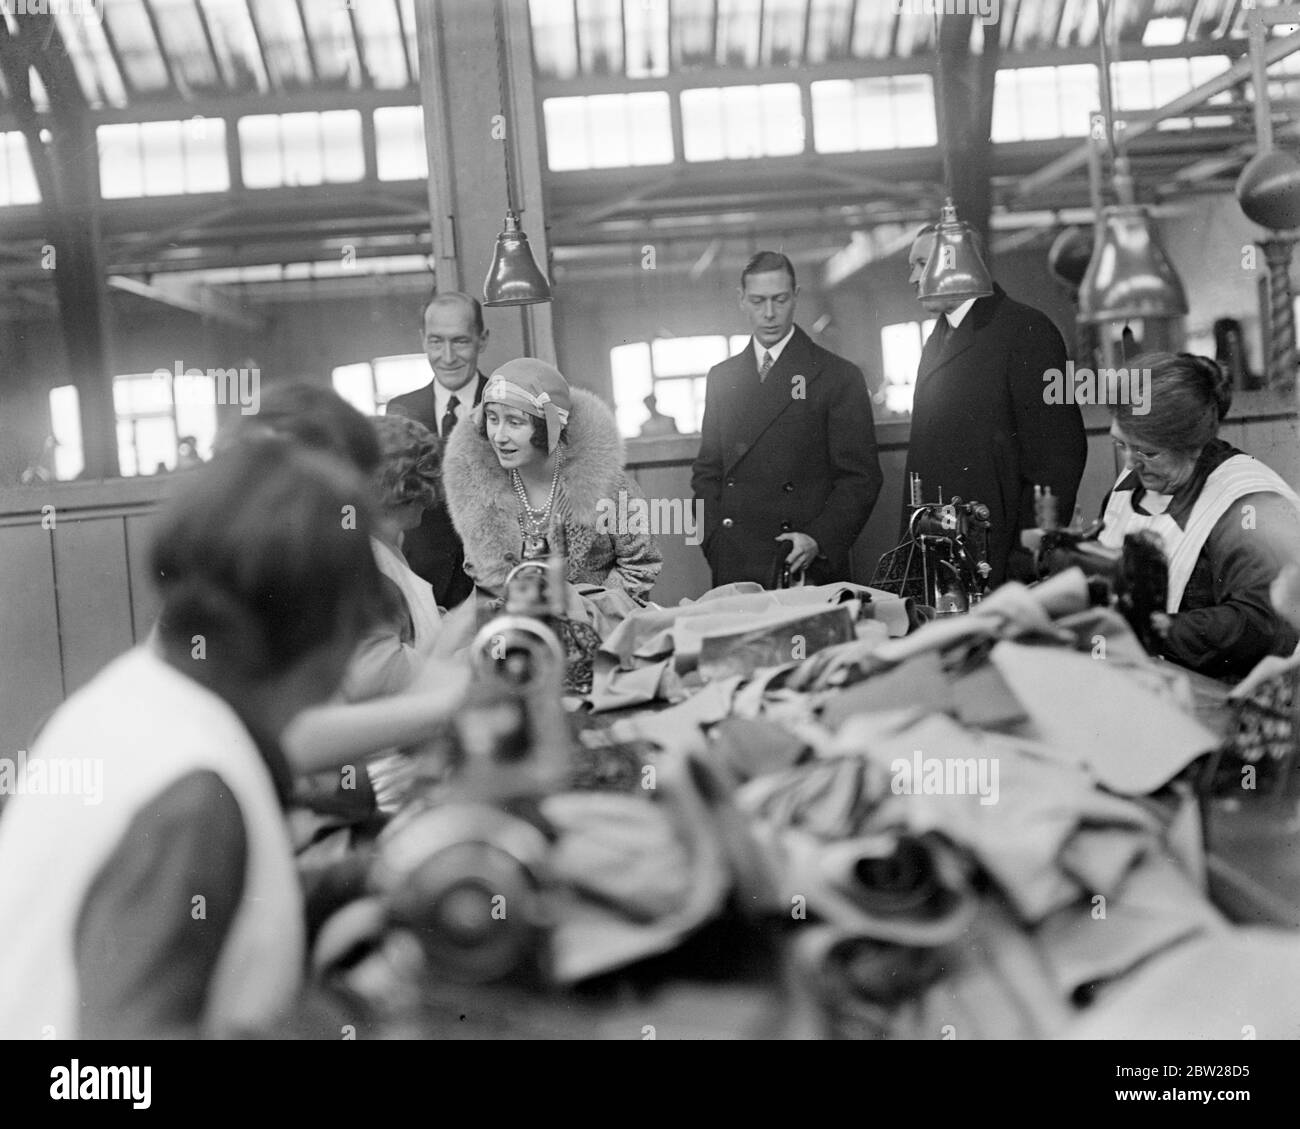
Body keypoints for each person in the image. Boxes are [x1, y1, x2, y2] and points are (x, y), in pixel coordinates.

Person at [0, 440, 389, 1038]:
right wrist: (350, 1015)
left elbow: (203, 918)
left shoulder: (134, 701)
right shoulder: (195, 792)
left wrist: (373, 880)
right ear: (325, 625)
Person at [902, 223, 1087, 587]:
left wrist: (1030, 554)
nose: (912, 278)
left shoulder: (1028, 331)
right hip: (947, 554)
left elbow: (1059, 457)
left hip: (1002, 557)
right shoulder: (936, 341)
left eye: (922, 263)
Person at [1100, 351, 1300, 682]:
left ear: (1194, 445)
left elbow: (1260, 623)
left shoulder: (1247, 501)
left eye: (1148, 452)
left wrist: (1148, 627)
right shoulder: (1137, 477)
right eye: (1121, 444)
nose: (1130, 463)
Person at [692, 251, 882, 588]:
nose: (769, 314)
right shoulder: (721, 377)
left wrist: (818, 540)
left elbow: (861, 478)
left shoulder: (837, 375)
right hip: (735, 563)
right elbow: (708, 472)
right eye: (757, 301)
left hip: (801, 560)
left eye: (779, 300)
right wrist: (714, 542)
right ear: (741, 300)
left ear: (795, 297)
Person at [442, 357, 662, 601]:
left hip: (603, 629)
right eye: (493, 419)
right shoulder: (482, 494)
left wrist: (585, 616)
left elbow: (640, 565)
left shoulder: (610, 486)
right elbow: (486, 586)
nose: (499, 436)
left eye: (515, 422)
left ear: (550, 426)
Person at [386, 291, 492, 609]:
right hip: (421, 583)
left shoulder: (507, 403)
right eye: (436, 342)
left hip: (493, 582)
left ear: (482, 339)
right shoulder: (400, 409)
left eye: (460, 341)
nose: (447, 357)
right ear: (423, 340)